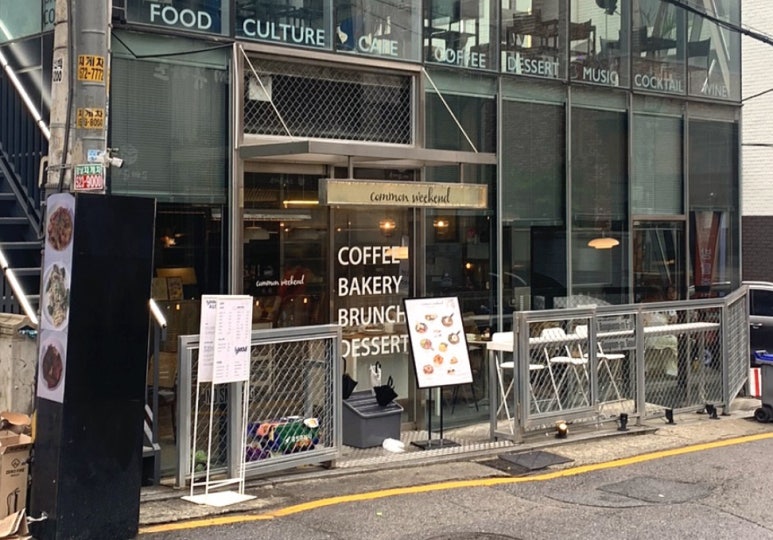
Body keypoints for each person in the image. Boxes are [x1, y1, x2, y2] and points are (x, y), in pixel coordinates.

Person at [643, 286, 678, 378]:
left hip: (664, 334)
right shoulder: (644, 306)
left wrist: (671, 318)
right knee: (674, 341)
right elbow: (644, 322)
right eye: (656, 295)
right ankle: (672, 370)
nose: (658, 297)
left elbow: (673, 319)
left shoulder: (663, 306)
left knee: (671, 342)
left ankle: (671, 370)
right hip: (651, 336)